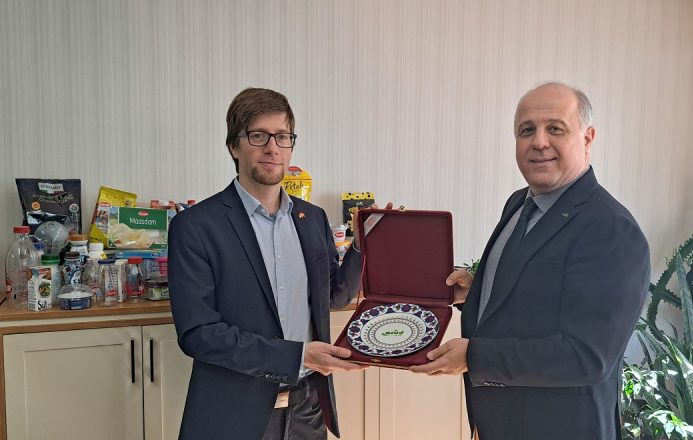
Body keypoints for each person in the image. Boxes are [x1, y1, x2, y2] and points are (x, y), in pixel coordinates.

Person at [410, 82, 651, 440]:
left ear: (587, 138)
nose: (539, 142)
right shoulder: (519, 204)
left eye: (555, 128)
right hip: (499, 422)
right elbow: (537, 294)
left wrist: (475, 357)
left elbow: (586, 356)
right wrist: (479, 291)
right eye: (527, 130)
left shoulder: (610, 228)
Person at [169, 88, 378, 440]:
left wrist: (360, 245)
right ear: (234, 146)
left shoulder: (312, 218)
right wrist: (298, 356)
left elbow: (334, 296)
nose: (272, 148)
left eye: (283, 136)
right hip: (234, 414)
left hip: (308, 408)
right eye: (258, 136)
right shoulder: (195, 226)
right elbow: (199, 335)